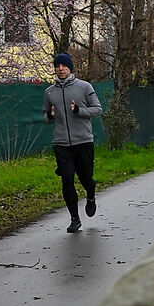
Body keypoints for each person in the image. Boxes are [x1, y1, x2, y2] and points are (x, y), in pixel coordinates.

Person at [45, 53, 104, 231]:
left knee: (86, 178)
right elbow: (46, 115)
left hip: (83, 141)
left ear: (70, 67)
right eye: (57, 66)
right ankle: (74, 219)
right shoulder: (49, 92)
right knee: (67, 179)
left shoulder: (84, 87)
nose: (60, 68)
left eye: (64, 65)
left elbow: (97, 109)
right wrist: (49, 116)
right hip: (61, 143)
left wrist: (79, 110)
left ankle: (91, 194)